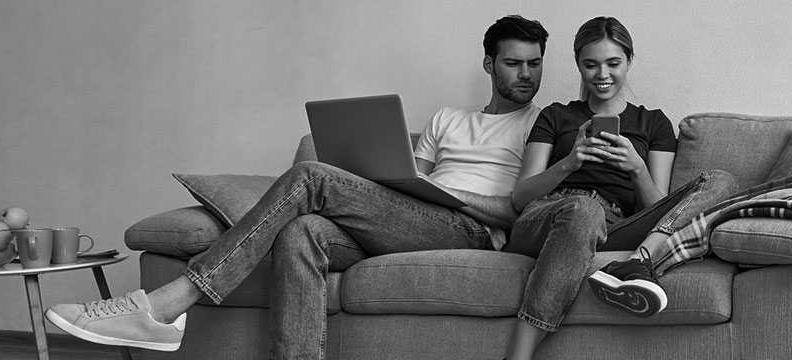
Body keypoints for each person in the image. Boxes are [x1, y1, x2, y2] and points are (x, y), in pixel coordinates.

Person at [43, 15, 551, 359]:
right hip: (406, 220)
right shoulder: (447, 118)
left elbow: (520, 211)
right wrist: (383, 179)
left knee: (309, 176)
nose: (526, 74)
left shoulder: (545, 125)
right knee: (301, 230)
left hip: (468, 229)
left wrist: (453, 196)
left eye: (534, 63)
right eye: (514, 62)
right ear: (489, 64)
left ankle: (167, 305)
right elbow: (406, 180)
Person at [499, 16, 737, 360]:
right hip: (548, 216)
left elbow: (660, 208)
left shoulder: (652, 122)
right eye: (590, 65)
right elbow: (520, 198)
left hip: (614, 227)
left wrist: (637, 168)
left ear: (629, 61)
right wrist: (569, 163)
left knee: (720, 180)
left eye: (613, 63)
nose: (602, 75)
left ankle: (638, 262)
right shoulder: (555, 116)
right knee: (583, 209)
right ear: (579, 65)